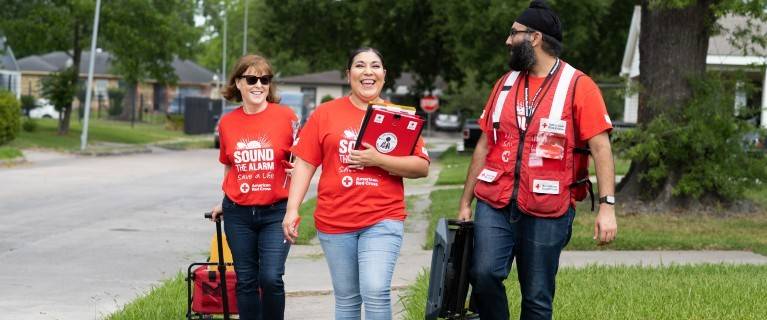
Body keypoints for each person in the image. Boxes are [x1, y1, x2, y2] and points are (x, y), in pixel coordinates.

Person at [456, 1, 618, 319]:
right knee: (483, 276)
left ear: (534, 38)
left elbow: (601, 148)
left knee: (537, 297)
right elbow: (484, 145)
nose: (507, 41)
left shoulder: (579, 87)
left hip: (549, 208)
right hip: (496, 201)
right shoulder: (503, 84)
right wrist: (466, 201)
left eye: (513, 33)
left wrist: (608, 208)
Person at [282, 47, 430, 320]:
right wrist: (292, 209)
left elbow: (421, 167)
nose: (368, 72)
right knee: (347, 298)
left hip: (382, 218)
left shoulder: (399, 116)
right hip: (334, 221)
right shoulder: (325, 114)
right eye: (360, 66)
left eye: (375, 66)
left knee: (375, 289)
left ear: (384, 75)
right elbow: (305, 163)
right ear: (349, 74)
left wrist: (378, 159)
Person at [211, 54, 298, 320]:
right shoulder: (227, 122)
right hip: (238, 214)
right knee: (246, 280)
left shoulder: (286, 117)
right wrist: (224, 200)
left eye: (264, 79)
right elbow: (230, 166)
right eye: (251, 79)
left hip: (276, 212)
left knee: (271, 277)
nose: (258, 85)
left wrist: (298, 177)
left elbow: (300, 162)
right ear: (238, 83)